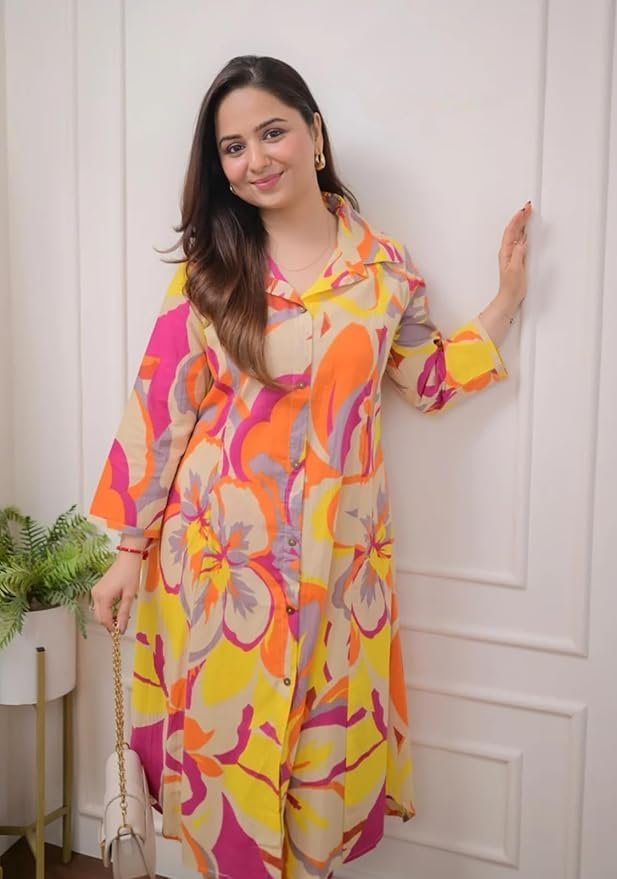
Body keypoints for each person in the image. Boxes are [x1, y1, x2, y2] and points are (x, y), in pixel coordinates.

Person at [89, 54, 532, 879]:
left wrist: (503, 302)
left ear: (314, 133)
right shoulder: (208, 273)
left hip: (339, 576)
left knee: (317, 775)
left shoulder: (384, 271)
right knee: (228, 773)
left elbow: (425, 380)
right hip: (220, 574)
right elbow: (159, 408)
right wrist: (126, 550)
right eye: (232, 148)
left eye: (272, 133)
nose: (254, 159)